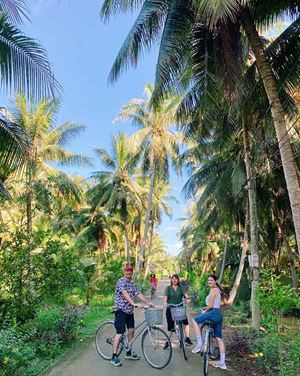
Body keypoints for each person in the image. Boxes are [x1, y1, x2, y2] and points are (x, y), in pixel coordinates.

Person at [111, 263, 154, 367]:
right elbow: (125, 294)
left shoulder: (132, 283)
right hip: (120, 310)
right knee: (120, 333)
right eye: (127, 271)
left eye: (130, 271)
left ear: (132, 273)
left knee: (131, 332)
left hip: (129, 311)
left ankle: (128, 352)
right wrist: (133, 303)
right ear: (124, 272)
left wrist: (147, 303)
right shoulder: (121, 281)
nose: (129, 272)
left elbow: (138, 294)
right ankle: (113, 357)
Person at [192, 274, 227, 370]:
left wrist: (205, 311)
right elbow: (216, 304)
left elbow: (210, 305)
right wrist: (207, 309)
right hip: (219, 314)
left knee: (194, 320)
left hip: (213, 313)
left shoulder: (214, 290)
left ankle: (199, 344)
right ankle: (222, 363)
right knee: (219, 338)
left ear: (215, 281)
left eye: (211, 280)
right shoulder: (218, 290)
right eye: (208, 280)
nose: (209, 282)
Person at [163, 274, 193, 348]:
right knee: (170, 327)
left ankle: (187, 338)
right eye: (173, 279)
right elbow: (165, 297)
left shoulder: (181, 287)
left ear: (178, 280)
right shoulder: (168, 288)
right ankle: (168, 341)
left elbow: (186, 295)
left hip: (179, 308)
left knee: (185, 323)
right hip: (170, 308)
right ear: (171, 280)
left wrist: (188, 299)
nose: (174, 280)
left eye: (176, 279)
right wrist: (165, 303)